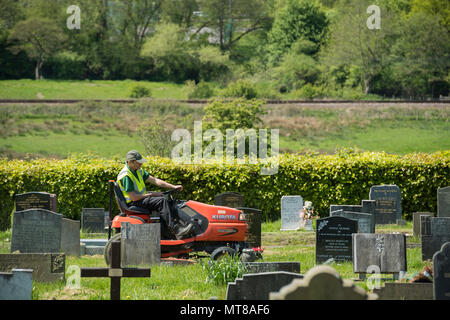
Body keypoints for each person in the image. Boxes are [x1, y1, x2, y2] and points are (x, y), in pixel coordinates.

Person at [117, 150, 194, 239]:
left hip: (138, 199)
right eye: (139, 163)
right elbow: (133, 197)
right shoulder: (126, 175)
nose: (141, 164)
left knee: (163, 199)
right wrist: (151, 194)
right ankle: (176, 229)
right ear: (131, 162)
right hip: (133, 203)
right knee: (161, 201)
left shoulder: (138, 171)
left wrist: (173, 187)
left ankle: (166, 233)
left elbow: (155, 180)